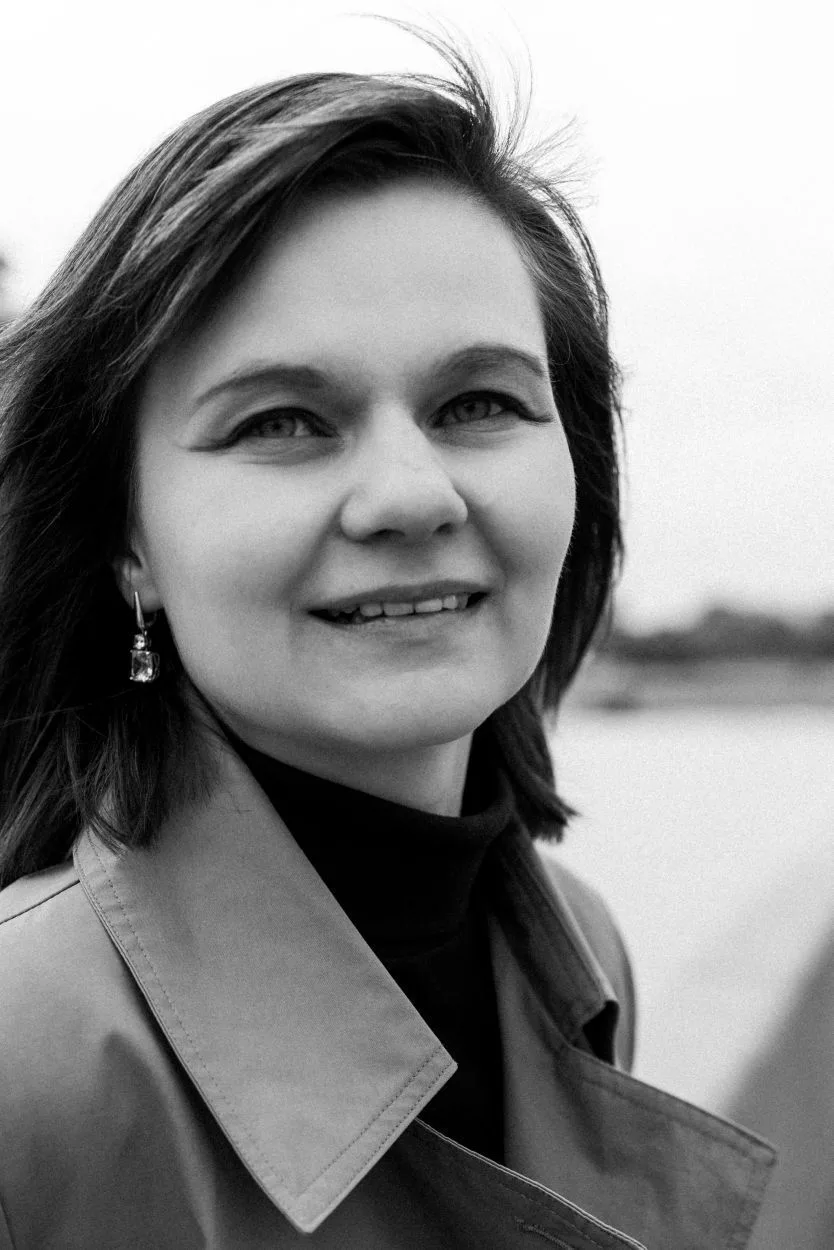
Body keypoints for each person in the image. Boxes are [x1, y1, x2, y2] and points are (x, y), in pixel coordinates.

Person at [0, 35, 775, 1250]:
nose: (412, 495)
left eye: (479, 403)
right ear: (128, 543)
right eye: (284, 421)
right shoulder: (23, 1055)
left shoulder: (576, 946)